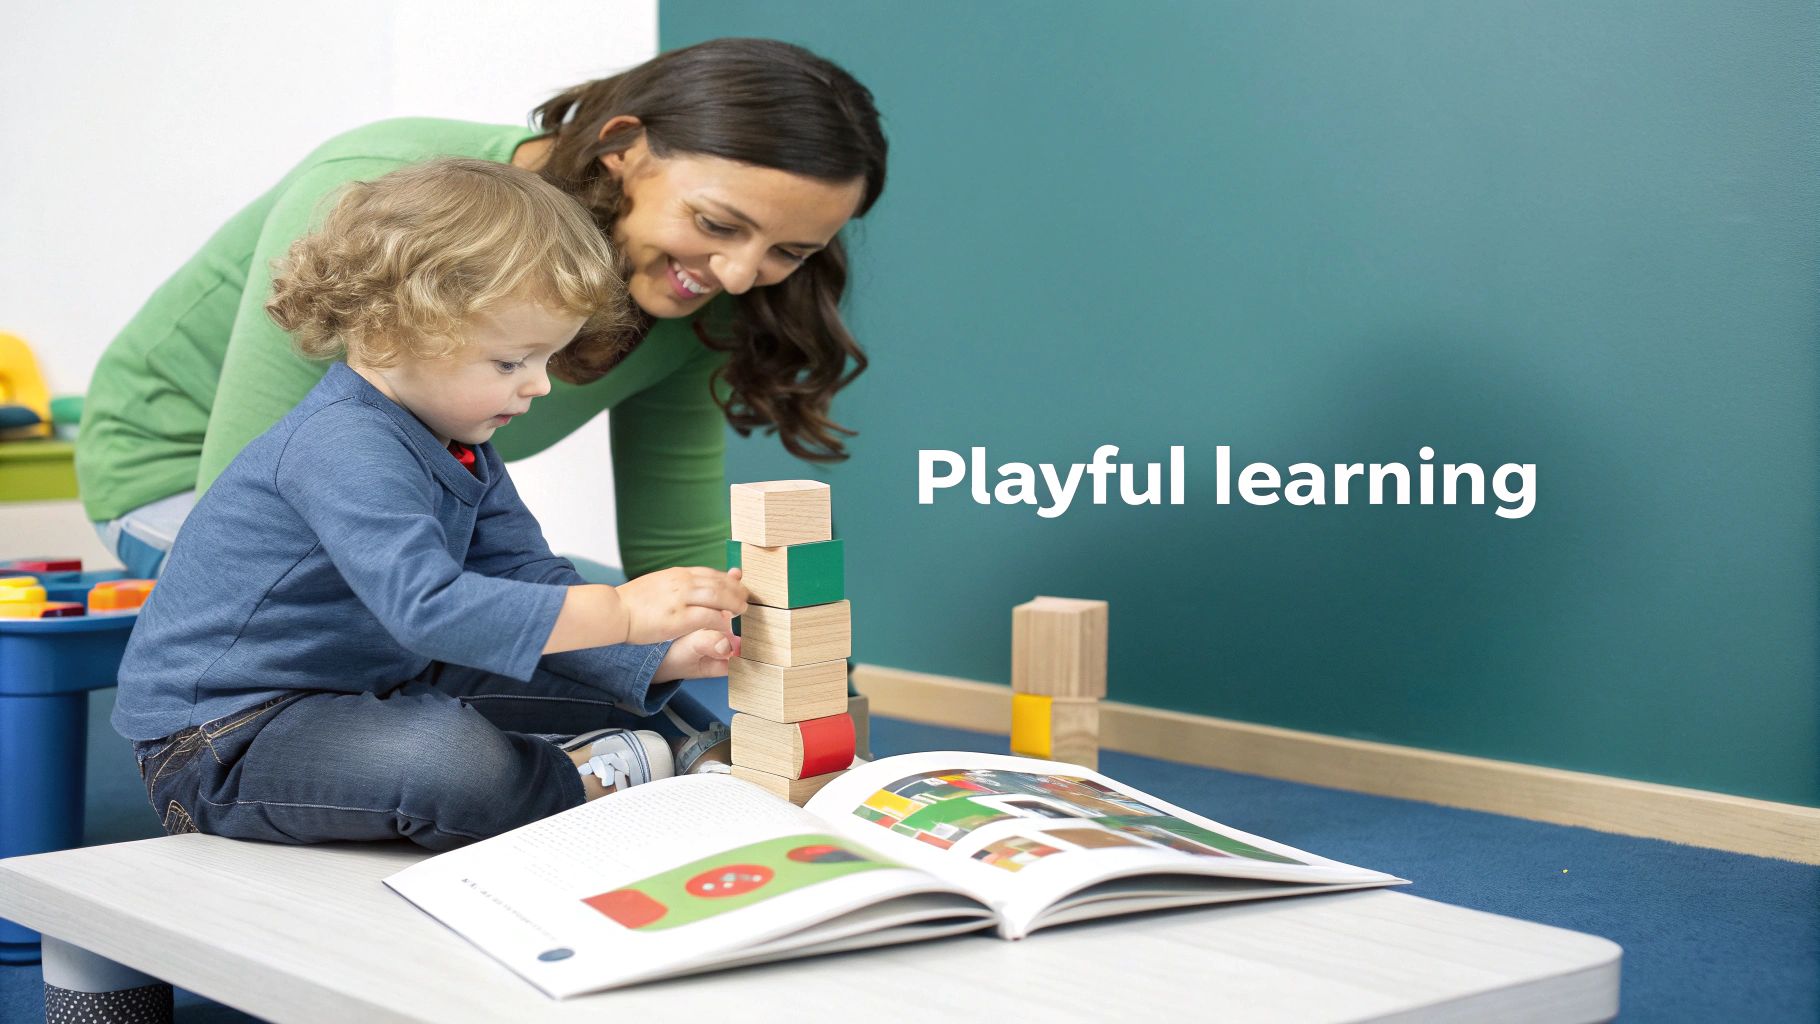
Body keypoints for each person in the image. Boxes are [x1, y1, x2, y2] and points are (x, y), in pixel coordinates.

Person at [77, 36, 888, 583]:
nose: (743, 276)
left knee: (612, 621)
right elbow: (245, 514)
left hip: (405, 518)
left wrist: (802, 667)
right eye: (717, 224)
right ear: (624, 146)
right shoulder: (382, 187)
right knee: (538, 642)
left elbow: (675, 549)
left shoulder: (701, 297)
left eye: (791, 252)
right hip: (187, 484)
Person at [118, 159, 751, 850]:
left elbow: (526, 575)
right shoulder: (342, 444)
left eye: (547, 360)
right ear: (393, 335)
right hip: (225, 737)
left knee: (592, 666)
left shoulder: (458, 440)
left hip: (384, 678)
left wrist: (653, 650)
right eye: (511, 363)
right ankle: (574, 781)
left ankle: (712, 759)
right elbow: (426, 609)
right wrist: (623, 611)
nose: (538, 386)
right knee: (448, 759)